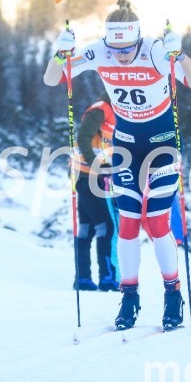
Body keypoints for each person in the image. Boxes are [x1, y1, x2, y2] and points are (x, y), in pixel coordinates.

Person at [44, 0, 191, 330]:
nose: (120, 55)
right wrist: (60, 55)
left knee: (158, 221)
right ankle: (129, 295)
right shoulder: (99, 52)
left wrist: (182, 55)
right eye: (114, 48)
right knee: (129, 222)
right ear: (107, 42)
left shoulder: (156, 51)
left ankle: (172, 293)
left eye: (127, 48)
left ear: (138, 39)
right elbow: (52, 79)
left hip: (161, 143)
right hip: (127, 144)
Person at [72, 92, 120, 292]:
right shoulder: (102, 109)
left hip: (90, 177)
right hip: (92, 177)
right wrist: (95, 166)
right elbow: (83, 136)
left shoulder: (116, 113)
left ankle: (83, 278)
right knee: (106, 227)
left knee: (86, 229)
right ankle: (107, 278)